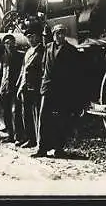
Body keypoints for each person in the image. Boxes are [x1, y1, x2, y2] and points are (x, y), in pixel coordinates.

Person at [32, 24, 81, 158]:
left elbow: (74, 73)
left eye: (62, 33)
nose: (60, 36)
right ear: (53, 35)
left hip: (62, 90)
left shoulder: (71, 50)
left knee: (60, 119)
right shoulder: (48, 47)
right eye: (57, 33)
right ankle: (41, 148)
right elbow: (43, 66)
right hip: (47, 88)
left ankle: (59, 149)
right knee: (43, 117)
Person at [15, 23, 44, 148]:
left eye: (32, 37)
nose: (30, 39)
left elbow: (44, 70)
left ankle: (39, 141)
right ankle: (30, 138)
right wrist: (20, 86)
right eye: (28, 37)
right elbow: (23, 70)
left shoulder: (42, 50)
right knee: (26, 114)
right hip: (26, 87)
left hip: (36, 87)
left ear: (38, 37)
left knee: (37, 114)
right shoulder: (28, 52)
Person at [0, 34, 25, 143]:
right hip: (5, 89)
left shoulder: (20, 56)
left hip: (15, 88)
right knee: (6, 112)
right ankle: (10, 135)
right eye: (7, 43)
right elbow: (1, 74)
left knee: (15, 112)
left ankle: (19, 136)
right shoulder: (3, 57)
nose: (9, 45)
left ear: (14, 43)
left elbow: (22, 73)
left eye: (11, 42)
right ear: (4, 45)